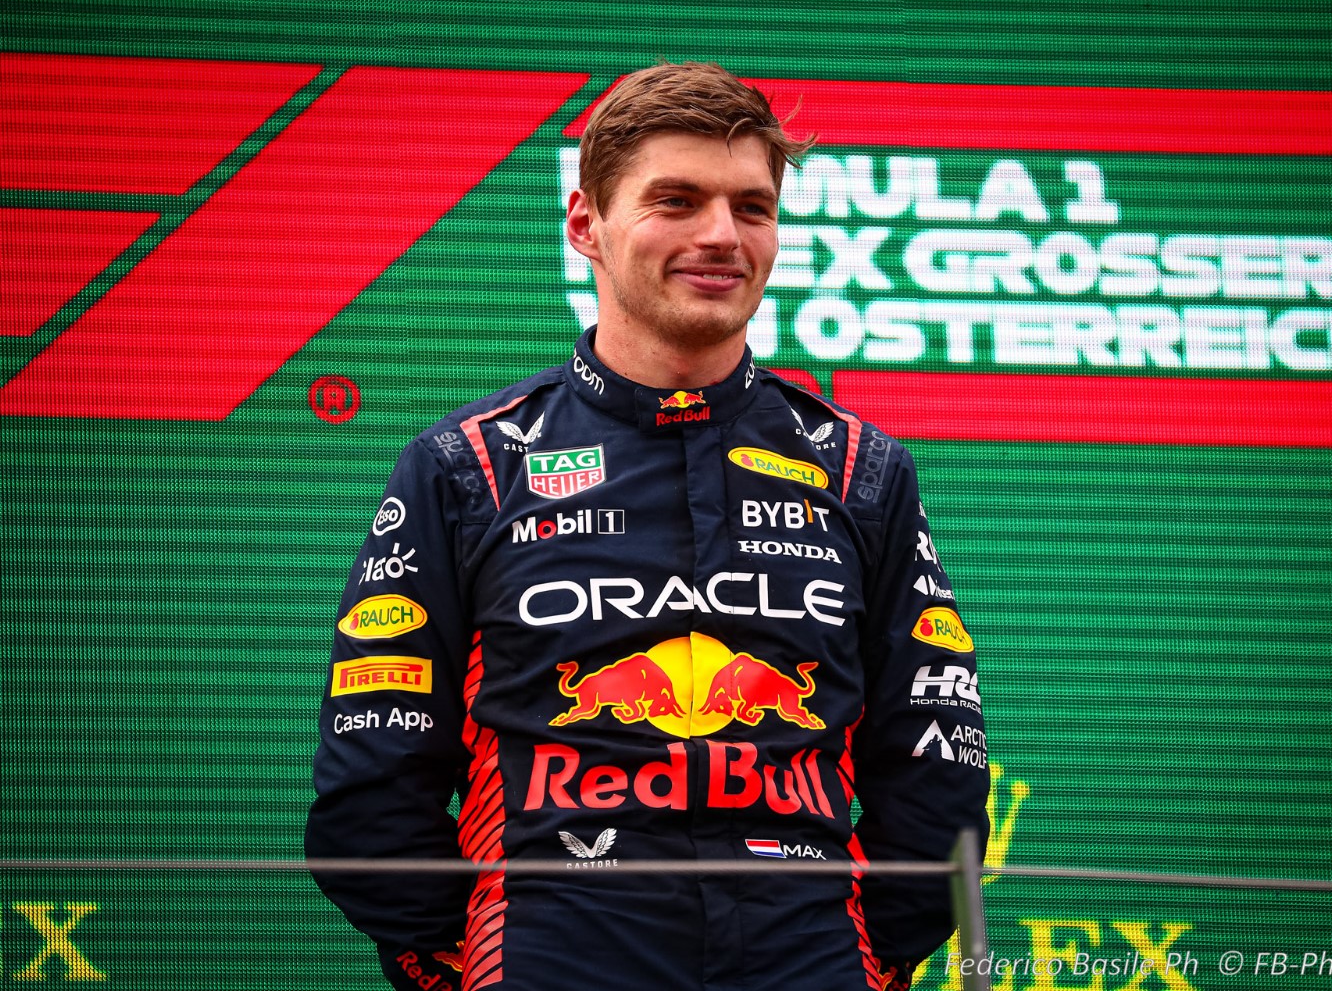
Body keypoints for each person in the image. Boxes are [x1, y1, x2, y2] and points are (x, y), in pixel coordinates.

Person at [306, 60, 989, 991]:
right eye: (677, 200)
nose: (722, 235)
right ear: (586, 223)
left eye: (753, 208)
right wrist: (456, 958)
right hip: (552, 945)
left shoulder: (859, 469)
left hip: (810, 949)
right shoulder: (469, 465)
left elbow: (935, 751)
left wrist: (870, 952)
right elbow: (375, 765)